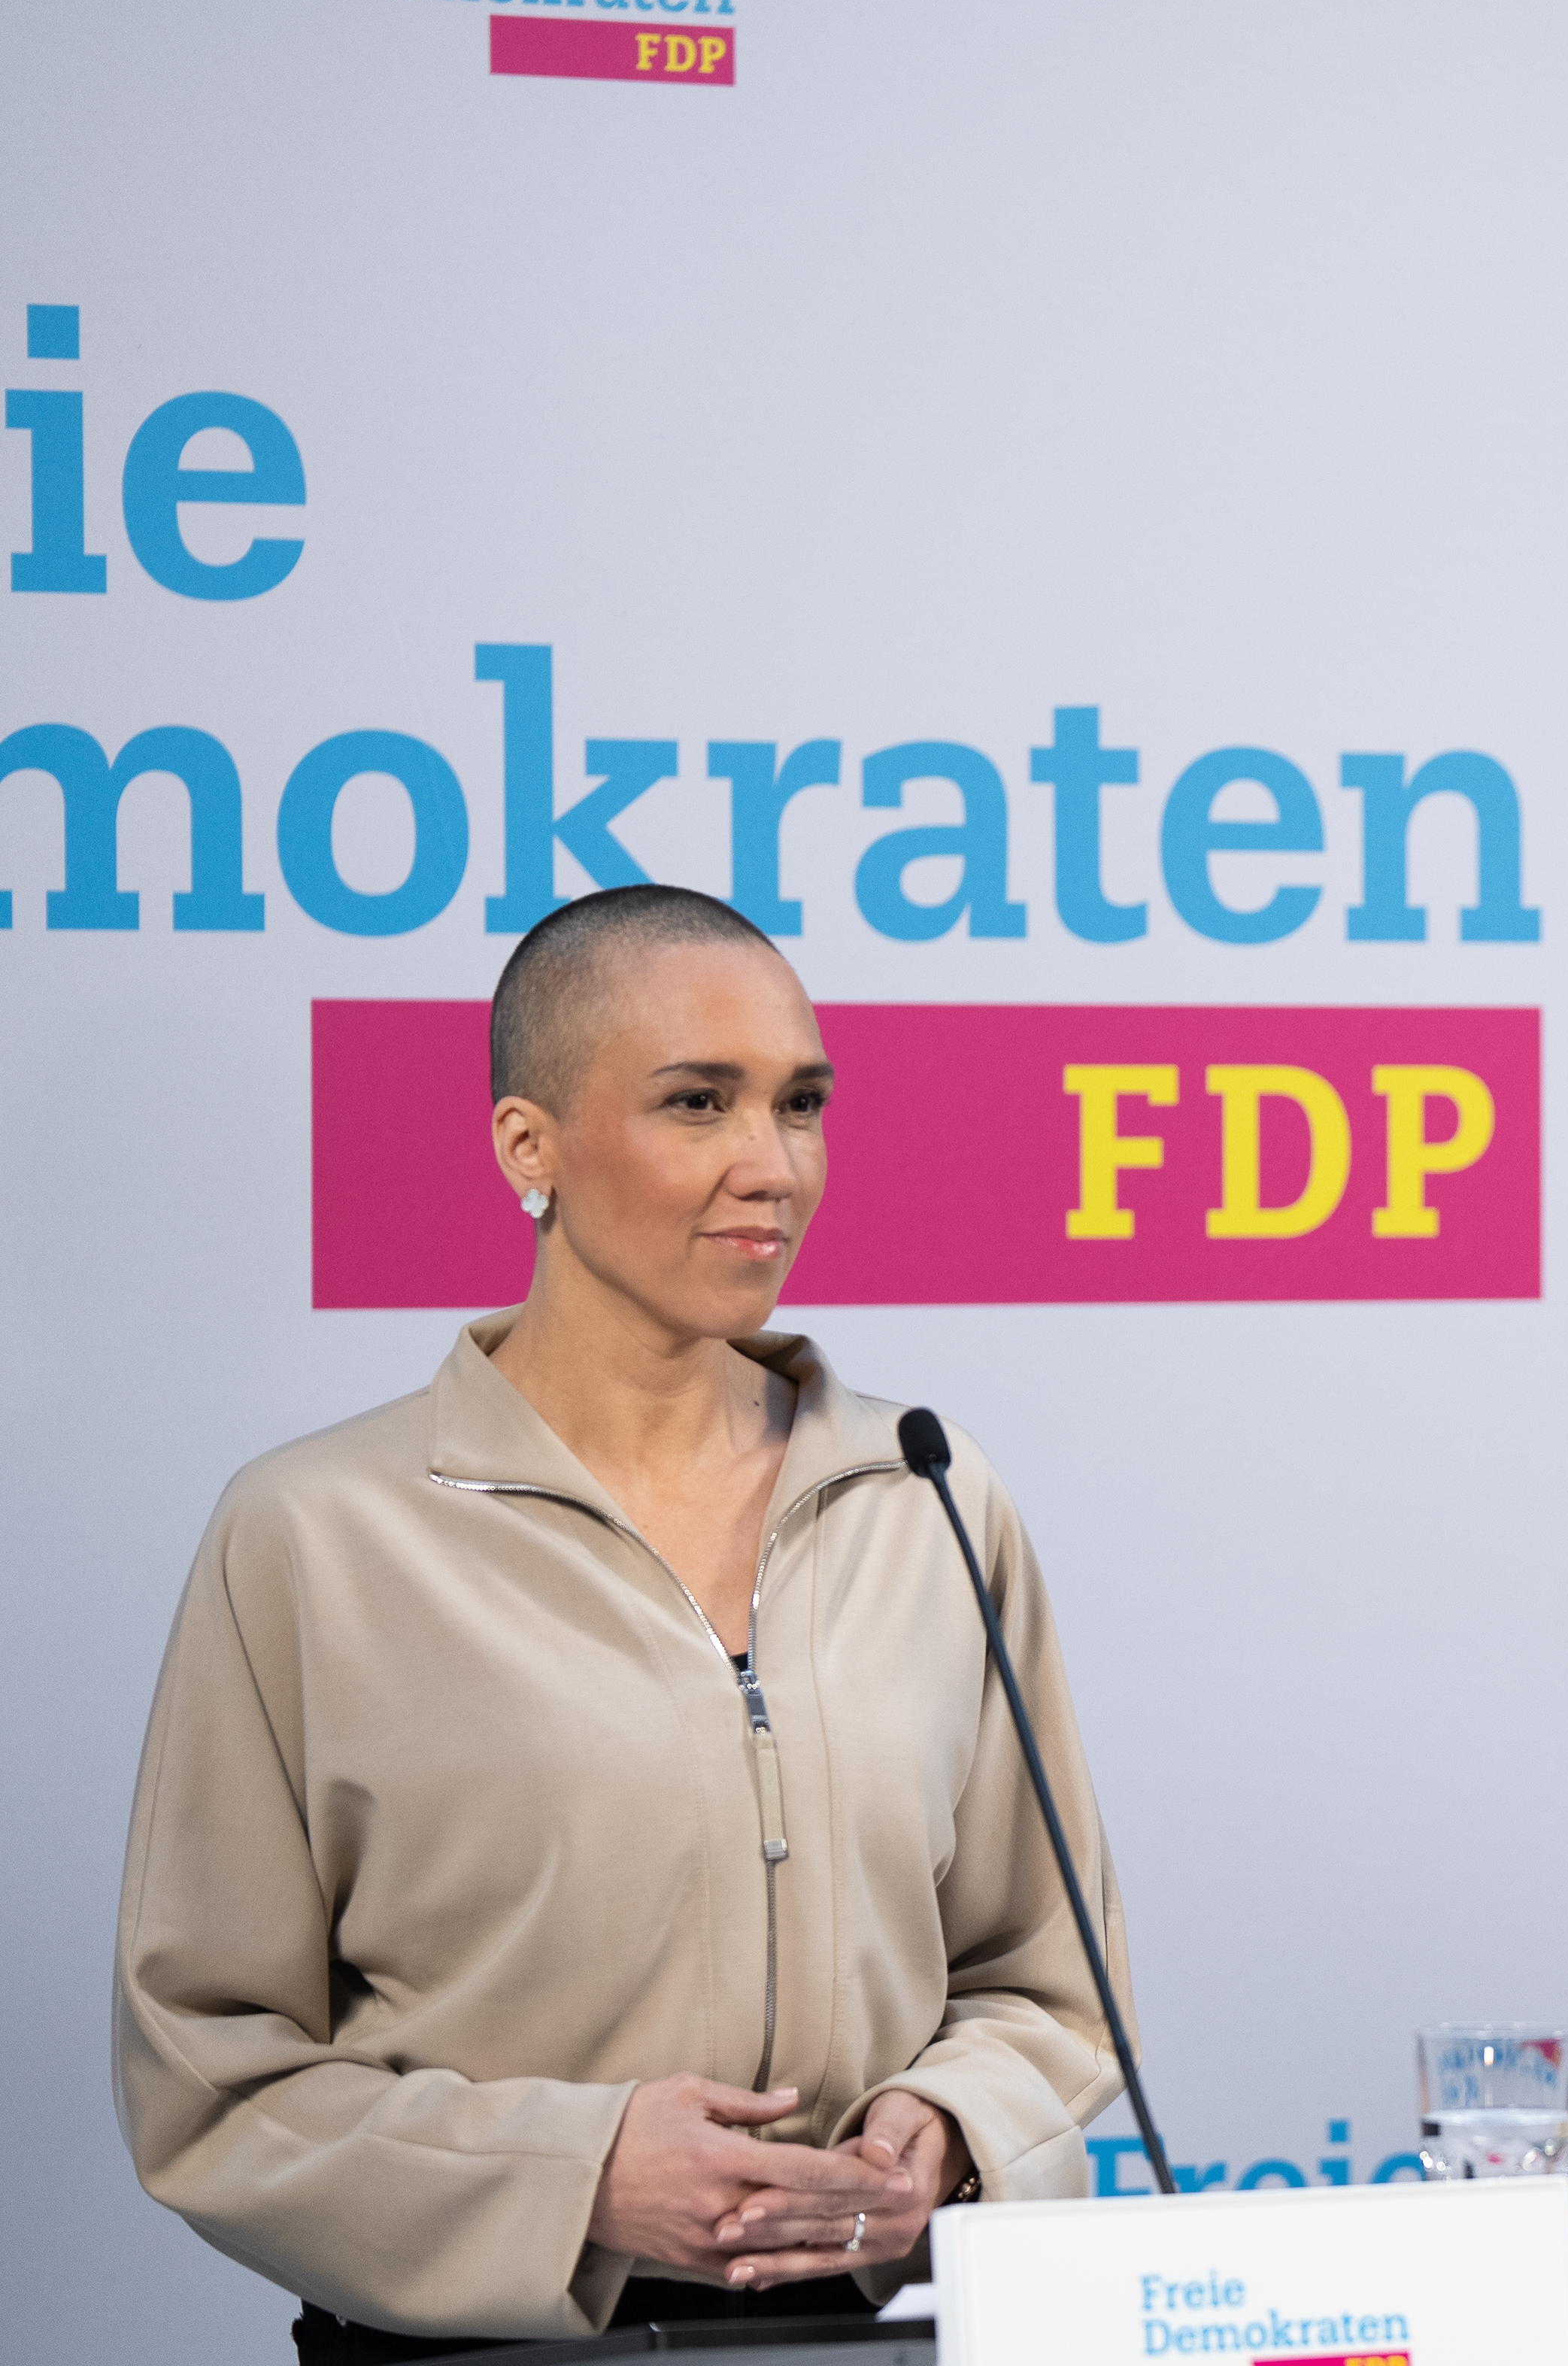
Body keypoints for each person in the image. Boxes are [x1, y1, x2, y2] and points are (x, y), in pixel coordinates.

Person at [114, 886, 1134, 2362]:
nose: (770, 1165)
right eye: (695, 1103)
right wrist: (580, 2177)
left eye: (802, 1103)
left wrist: (957, 2125)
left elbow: (1052, 1984)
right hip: (487, 2348)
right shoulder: (316, 1533)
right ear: (529, 1146)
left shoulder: (928, 1490)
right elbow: (209, 2074)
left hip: (879, 2336)